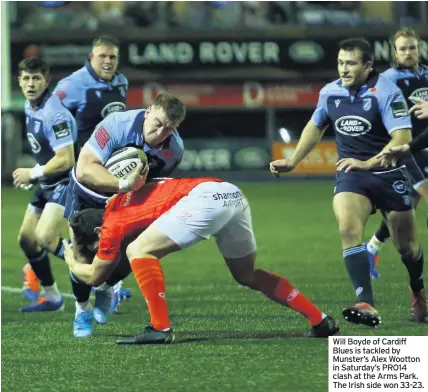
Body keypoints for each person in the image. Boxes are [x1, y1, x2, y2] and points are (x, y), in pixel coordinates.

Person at [63, 176, 340, 343]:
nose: (99, 247)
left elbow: (95, 276)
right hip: (229, 192)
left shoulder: (110, 225)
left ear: (99, 231)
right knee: (246, 274)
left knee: (139, 250)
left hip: (202, 200)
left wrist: (71, 261)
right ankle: (320, 320)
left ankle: (160, 328)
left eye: (95, 243)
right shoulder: (118, 197)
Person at [270, 38, 426, 326]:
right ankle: (366, 302)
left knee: (407, 248)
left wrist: (368, 162)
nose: (343, 69)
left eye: (351, 63)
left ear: (367, 66)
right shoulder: (330, 92)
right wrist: (293, 161)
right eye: (341, 62)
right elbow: (316, 126)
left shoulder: (387, 91)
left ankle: (417, 288)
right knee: (348, 229)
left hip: (389, 174)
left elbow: (401, 139)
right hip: (352, 175)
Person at [64, 92, 186, 337]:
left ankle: (107, 288)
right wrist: (121, 185)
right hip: (87, 194)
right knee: (82, 254)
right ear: (149, 111)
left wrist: (127, 196)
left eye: (169, 129)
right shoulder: (117, 124)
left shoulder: (174, 150)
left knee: (134, 249)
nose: (161, 133)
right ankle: (82, 310)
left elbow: (153, 185)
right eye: (158, 124)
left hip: (125, 199)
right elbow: (85, 168)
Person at [22, 35, 131, 303]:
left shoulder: (121, 82)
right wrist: (43, 166)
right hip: (73, 169)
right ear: (91, 57)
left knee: (98, 229)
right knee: (29, 238)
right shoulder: (70, 86)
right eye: (102, 56)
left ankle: (104, 282)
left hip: (94, 172)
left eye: (112, 57)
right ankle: (64, 285)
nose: (107, 61)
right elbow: (53, 117)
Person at [13, 57, 77, 312]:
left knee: (45, 237)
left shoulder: (55, 113)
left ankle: (101, 279)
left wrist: (34, 172)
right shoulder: (30, 106)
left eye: (36, 78)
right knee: (27, 240)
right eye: (26, 78)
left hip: (65, 181)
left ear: (46, 81)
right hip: (48, 181)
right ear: (19, 81)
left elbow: (66, 159)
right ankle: (52, 298)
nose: (31, 84)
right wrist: (38, 175)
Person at [366, 28, 428, 278]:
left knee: (406, 209)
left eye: (412, 47)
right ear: (394, 51)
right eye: (402, 48)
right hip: (407, 150)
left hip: (425, 145)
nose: (408, 53)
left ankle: (371, 247)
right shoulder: (387, 79)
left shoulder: (426, 73)